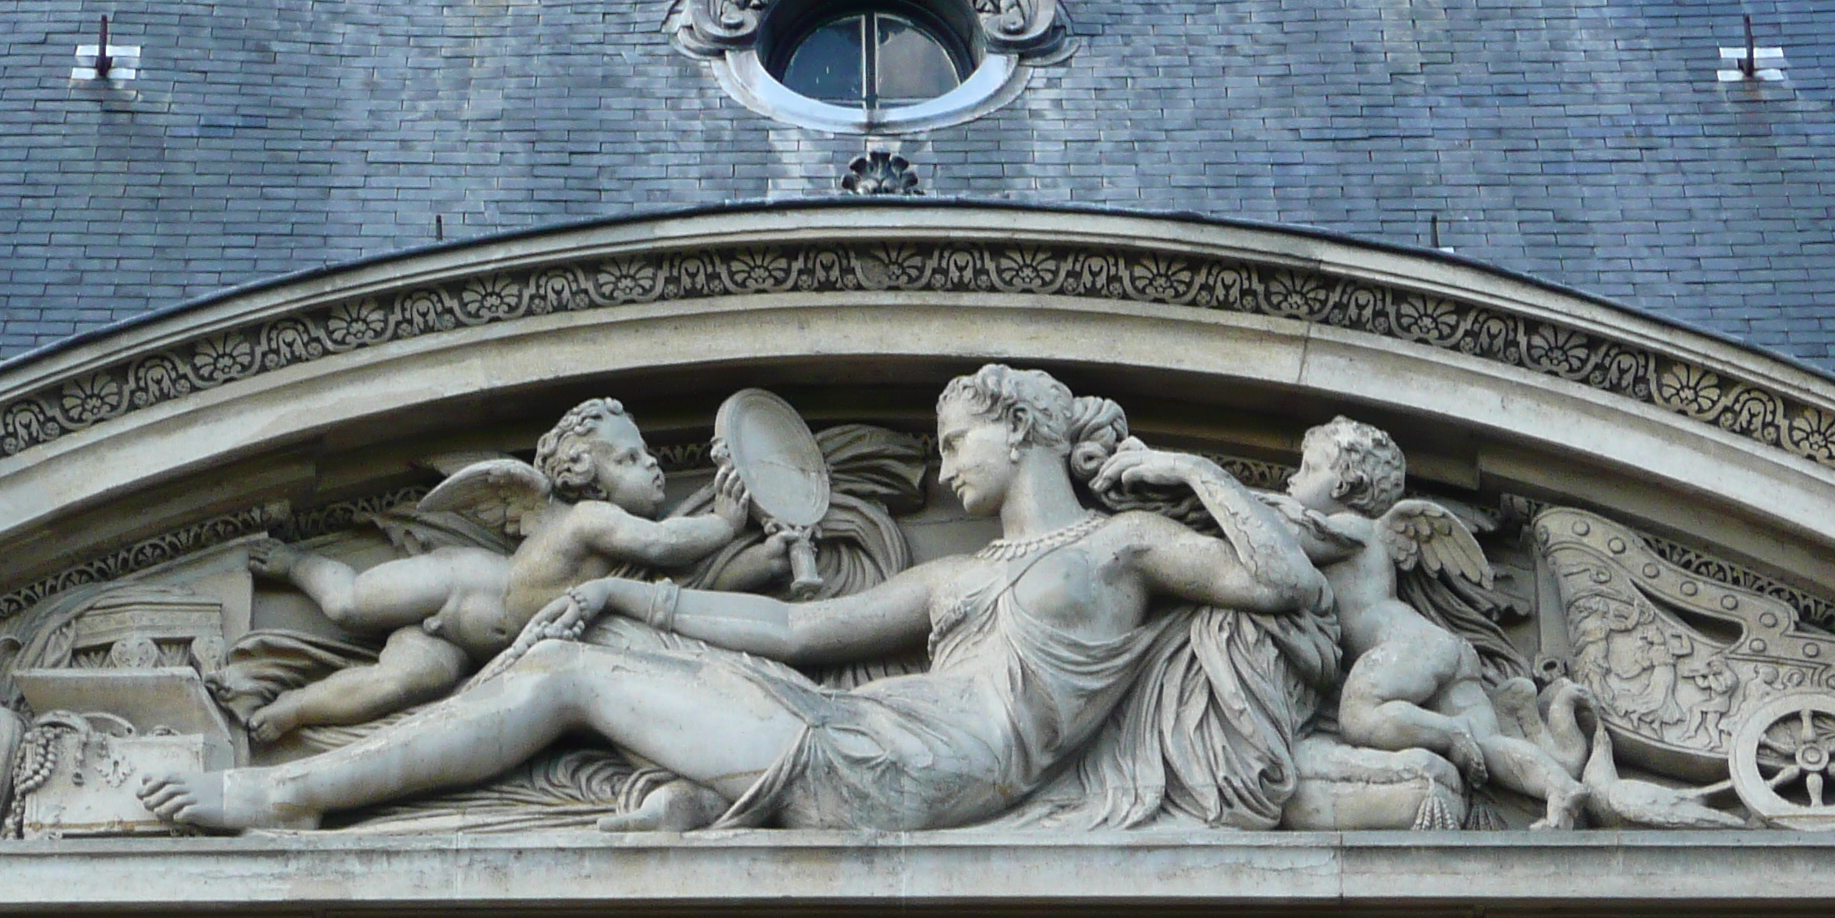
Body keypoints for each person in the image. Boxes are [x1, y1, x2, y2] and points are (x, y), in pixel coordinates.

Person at [140, 365, 1328, 833]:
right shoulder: (960, 575)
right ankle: (688, 804)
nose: (941, 466)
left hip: (923, 769)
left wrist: (1190, 471)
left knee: (561, 675)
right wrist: (628, 602)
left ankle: (270, 791)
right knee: (603, 654)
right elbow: (798, 630)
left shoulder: (1121, 547)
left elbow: (1281, 580)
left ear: (1020, 435)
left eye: (955, 440)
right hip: (872, 733)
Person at [234, 397, 754, 739]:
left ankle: (296, 708)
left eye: (646, 456)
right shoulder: (594, 519)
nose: (653, 464)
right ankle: (295, 561)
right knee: (348, 604)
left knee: (398, 684)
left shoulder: (613, 547)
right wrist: (726, 525)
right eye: (629, 459)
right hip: (460, 582)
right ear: (586, 475)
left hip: (468, 646)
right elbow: (665, 543)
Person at [1276, 417, 1587, 829]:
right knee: (1491, 743)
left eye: (1308, 469)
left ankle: (1449, 733)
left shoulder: (1349, 528)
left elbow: (1282, 540)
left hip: (1402, 650)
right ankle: (1558, 787)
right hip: (1442, 649)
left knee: (1359, 715)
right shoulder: (1372, 533)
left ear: (1343, 485)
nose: (1291, 480)